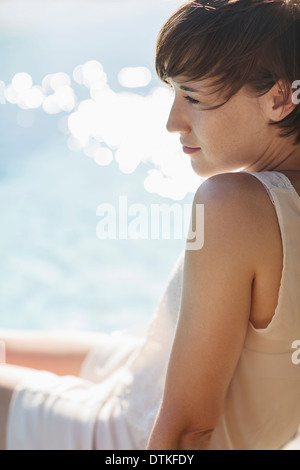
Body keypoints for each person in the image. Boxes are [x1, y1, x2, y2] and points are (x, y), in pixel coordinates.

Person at [1, 0, 300, 450]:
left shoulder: (235, 206)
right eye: (174, 94)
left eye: (193, 98)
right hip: (145, 368)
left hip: (130, 434)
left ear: (278, 98)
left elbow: (186, 431)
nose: (171, 122)